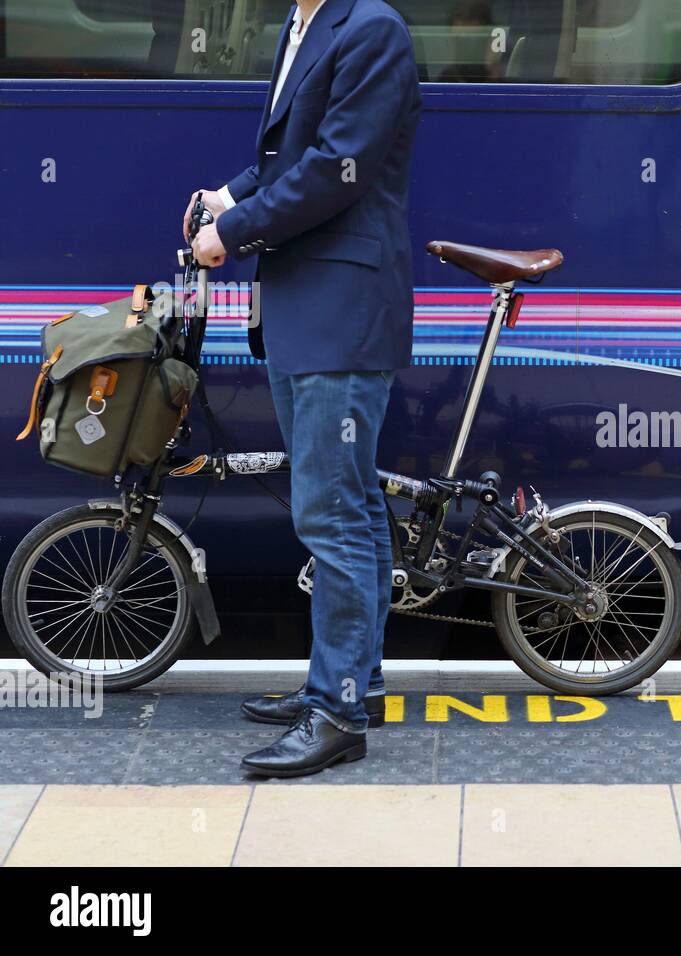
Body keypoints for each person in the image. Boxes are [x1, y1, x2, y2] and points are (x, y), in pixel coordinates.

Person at [184, 0, 421, 777]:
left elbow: (336, 166)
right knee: (346, 502)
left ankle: (336, 713)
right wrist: (230, 195)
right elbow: (291, 155)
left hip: (340, 309)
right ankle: (360, 680)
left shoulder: (371, 27)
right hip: (304, 306)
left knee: (332, 512)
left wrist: (237, 230)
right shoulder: (303, 22)